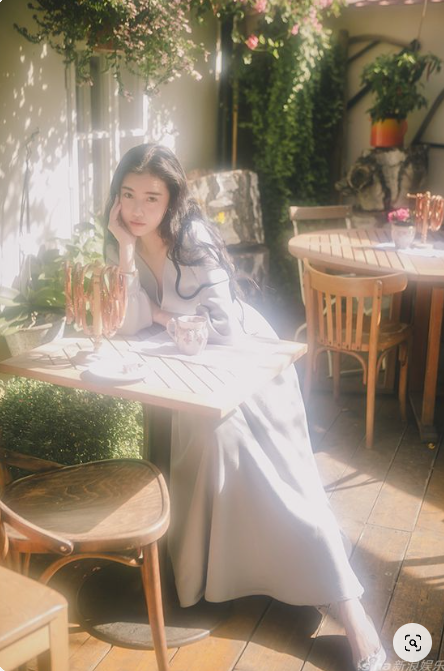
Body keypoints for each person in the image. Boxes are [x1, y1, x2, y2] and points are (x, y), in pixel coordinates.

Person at [105, 143, 386, 671]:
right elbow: (125, 324)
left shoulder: (194, 237)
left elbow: (224, 329)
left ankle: (349, 606)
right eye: (127, 195)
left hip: (242, 364)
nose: (137, 209)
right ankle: (214, 579)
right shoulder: (128, 239)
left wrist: (161, 319)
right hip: (182, 372)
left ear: (172, 201)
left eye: (151, 197)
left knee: (254, 463)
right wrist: (124, 251)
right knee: (207, 444)